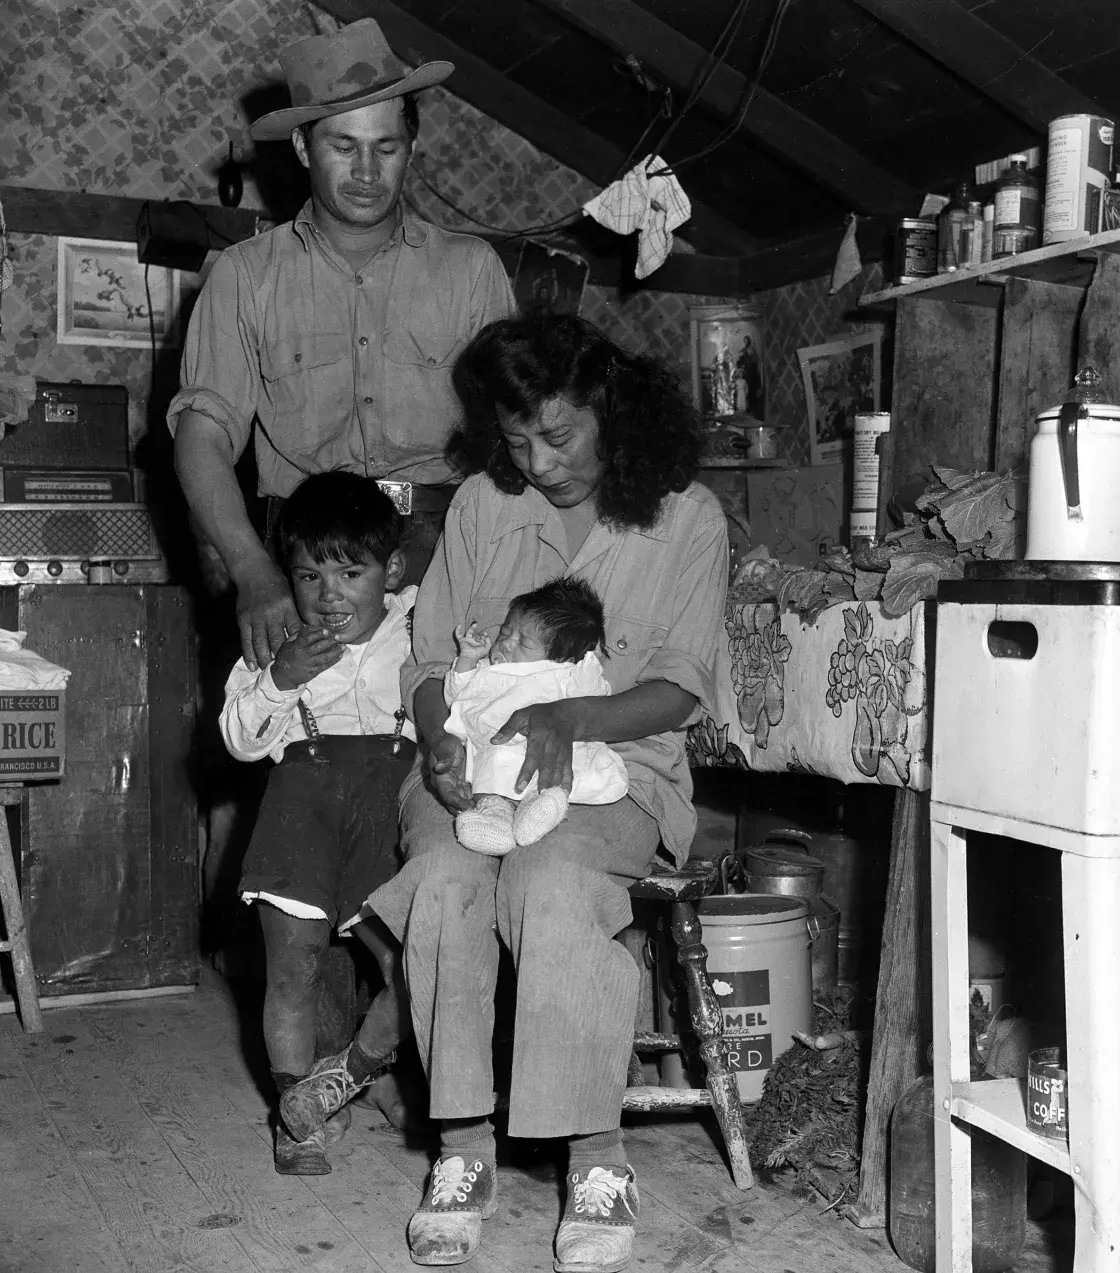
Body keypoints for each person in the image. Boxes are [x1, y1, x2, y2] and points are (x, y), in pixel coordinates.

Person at [276, 311, 726, 1270]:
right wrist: (438, 740)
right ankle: (462, 1149)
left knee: (552, 885)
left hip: (616, 773)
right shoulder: (484, 503)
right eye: (516, 437)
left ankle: (596, 1157)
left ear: (612, 411)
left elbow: (682, 683)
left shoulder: (686, 517)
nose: (538, 458)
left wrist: (570, 722)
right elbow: (430, 655)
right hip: (469, 768)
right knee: (444, 881)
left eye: (558, 434)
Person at [168, 17, 516, 673]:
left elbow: (512, 441)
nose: (364, 171)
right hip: (303, 558)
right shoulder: (243, 276)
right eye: (342, 146)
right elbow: (203, 436)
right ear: (302, 147)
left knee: (443, 754)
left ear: (412, 146)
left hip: (442, 549)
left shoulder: (473, 272)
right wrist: (251, 569)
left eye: (385, 148)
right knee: (303, 747)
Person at [218, 472, 417, 1176]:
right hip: (301, 811)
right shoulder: (277, 638)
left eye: (350, 573)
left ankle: (354, 1073)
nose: (328, 595)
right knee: (293, 965)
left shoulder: (420, 626)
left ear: (391, 570)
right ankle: (293, 1117)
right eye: (308, 575)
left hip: (387, 813)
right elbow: (239, 738)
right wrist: (279, 677)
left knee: (410, 965)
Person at [447, 576, 629, 856]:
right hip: (495, 746)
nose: (506, 644)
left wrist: (590, 658)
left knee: (551, 770)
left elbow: (594, 691)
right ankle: (495, 814)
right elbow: (460, 696)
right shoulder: (488, 671)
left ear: (561, 657)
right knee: (491, 766)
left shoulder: (562, 673)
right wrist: (468, 659)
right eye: (505, 633)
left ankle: (540, 804)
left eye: (524, 643)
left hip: (541, 747)